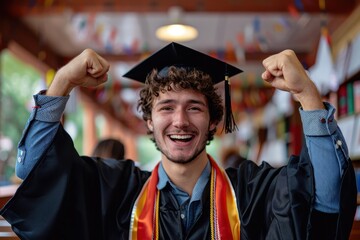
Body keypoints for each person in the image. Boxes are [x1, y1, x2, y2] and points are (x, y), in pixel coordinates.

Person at [0, 42, 357, 240]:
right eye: (166, 107)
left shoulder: (254, 192)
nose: (180, 121)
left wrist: (307, 94)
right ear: (149, 121)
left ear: (215, 120)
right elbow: (35, 176)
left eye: (195, 108)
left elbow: (324, 202)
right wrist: (61, 82)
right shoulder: (113, 191)